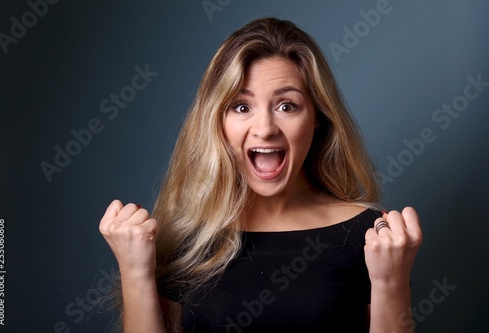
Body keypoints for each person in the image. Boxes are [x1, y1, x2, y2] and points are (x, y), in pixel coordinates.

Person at [99, 17, 422, 333]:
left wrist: (390, 282)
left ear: (318, 118)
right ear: (217, 121)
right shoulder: (189, 239)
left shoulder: (370, 236)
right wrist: (135, 271)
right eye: (241, 107)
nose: (265, 129)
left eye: (287, 106)